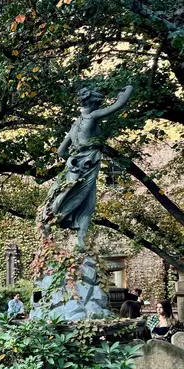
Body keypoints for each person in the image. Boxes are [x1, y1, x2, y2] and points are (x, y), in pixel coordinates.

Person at [40, 85, 134, 249]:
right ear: (93, 104)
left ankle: (53, 223)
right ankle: (80, 240)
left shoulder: (74, 126)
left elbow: (61, 151)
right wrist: (129, 88)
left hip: (74, 166)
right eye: (98, 104)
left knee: (70, 196)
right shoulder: (92, 116)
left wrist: (72, 162)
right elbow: (118, 105)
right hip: (88, 163)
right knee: (87, 202)